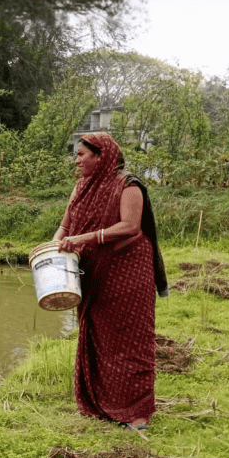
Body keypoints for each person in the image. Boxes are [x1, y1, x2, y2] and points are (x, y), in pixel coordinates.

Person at [53, 133, 168, 431]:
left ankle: (138, 413)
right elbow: (65, 225)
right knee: (97, 332)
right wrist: (53, 248)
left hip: (127, 268)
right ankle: (101, 404)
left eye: (81, 154)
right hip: (93, 271)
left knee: (131, 337)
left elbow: (130, 226)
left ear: (101, 156)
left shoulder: (128, 185)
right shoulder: (81, 187)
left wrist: (85, 238)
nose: (76, 160)